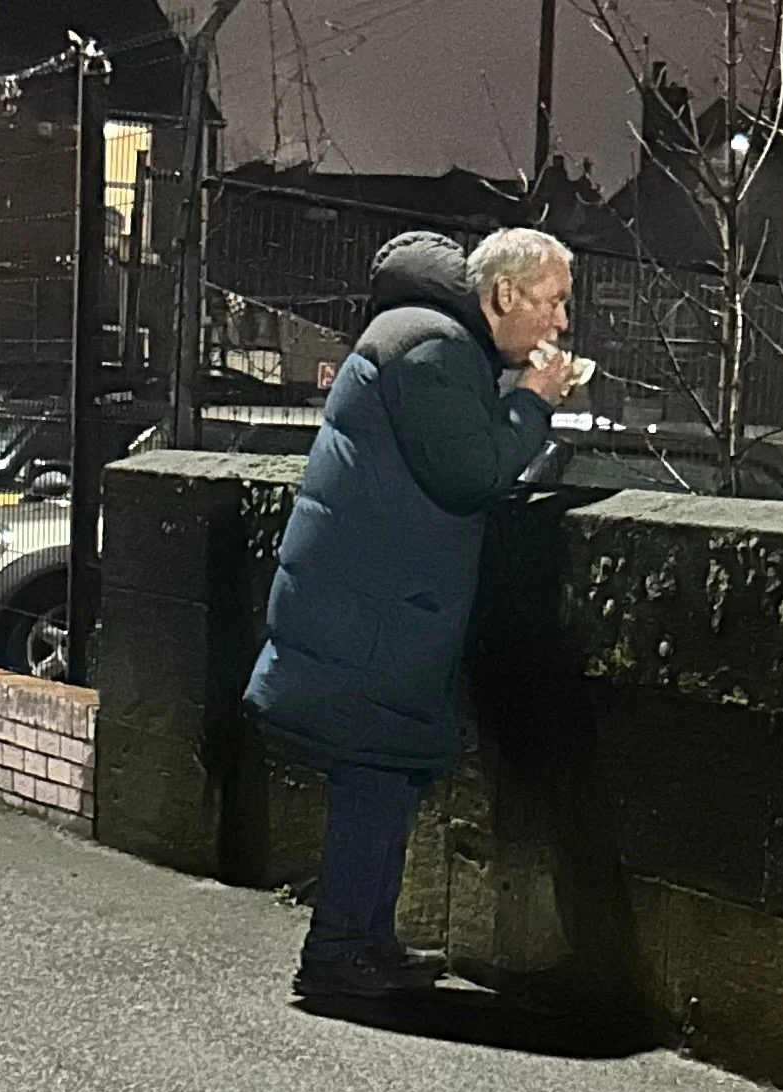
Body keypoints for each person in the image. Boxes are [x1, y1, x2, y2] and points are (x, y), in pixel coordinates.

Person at [244, 226, 577, 999]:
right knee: (376, 772)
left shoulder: (421, 338)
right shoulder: (434, 349)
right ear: (504, 295)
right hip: (376, 612)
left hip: (371, 601)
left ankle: (363, 942)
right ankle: (337, 953)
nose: (561, 324)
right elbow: (471, 472)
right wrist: (532, 403)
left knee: (385, 772)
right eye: (554, 302)